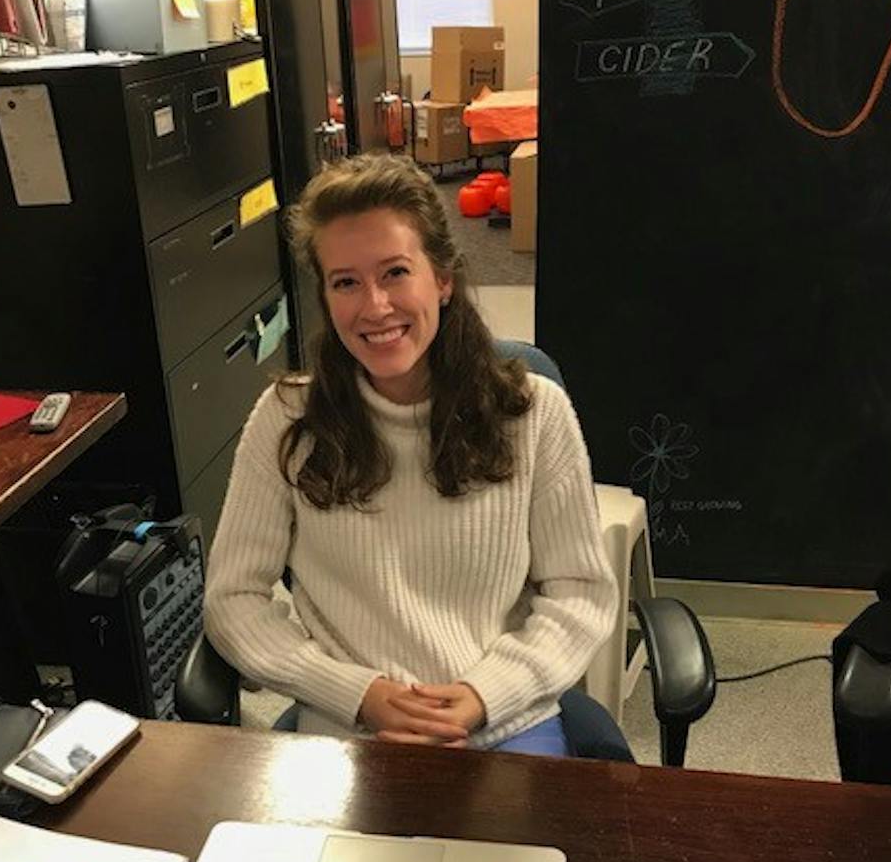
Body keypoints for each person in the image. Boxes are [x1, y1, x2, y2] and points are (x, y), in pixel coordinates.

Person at [204, 152, 625, 758]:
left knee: (518, 828)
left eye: (396, 272)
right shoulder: (288, 419)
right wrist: (355, 692)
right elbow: (233, 599)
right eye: (346, 282)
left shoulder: (534, 414)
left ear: (443, 279)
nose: (374, 306)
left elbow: (579, 593)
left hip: (505, 722)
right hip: (349, 730)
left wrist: (482, 695)